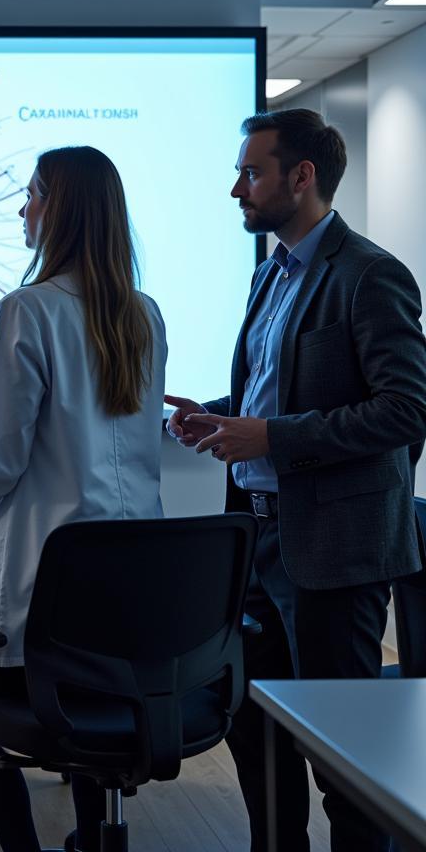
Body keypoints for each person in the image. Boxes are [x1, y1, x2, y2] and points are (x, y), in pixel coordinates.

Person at [165, 109, 426, 852]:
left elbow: (407, 411)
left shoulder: (370, 275)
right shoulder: (269, 276)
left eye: (251, 172)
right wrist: (219, 417)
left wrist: (271, 438)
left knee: (348, 759)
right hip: (256, 540)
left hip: (337, 552)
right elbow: (281, 392)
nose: (235, 190)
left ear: (301, 177)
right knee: (255, 728)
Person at [0, 145, 168, 852]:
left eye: (31, 195)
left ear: (62, 210)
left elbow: (3, 459)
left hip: (42, 596)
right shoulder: (145, 314)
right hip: (133, 606)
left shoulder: (28, 309)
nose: (22, 210)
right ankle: (91, 835)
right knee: (94, 704)